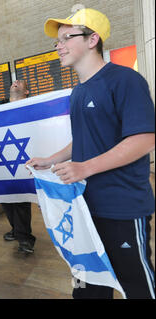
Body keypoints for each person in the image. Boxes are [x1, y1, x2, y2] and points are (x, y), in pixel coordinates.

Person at [27, 8, 155, 299]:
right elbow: (84, 138)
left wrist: (84, 168)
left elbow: (145, 139)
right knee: (86, 287)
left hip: (121, 206)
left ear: (92, 39)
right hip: (83, 207)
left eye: (66, 38)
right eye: (56, 41)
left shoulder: (124, 81)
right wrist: (51, 160)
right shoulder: (78, 92)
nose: (58, 46)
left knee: (136, 285)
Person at [0, 80, 35, 253]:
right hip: (3, 155)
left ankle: (25, 238)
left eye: (20, 83)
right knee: (6, 198)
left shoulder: (31, 106)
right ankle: (16, 229)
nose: (15, 83)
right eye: (13, 82)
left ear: (26, 92)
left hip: (23, 155)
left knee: (21, 199)